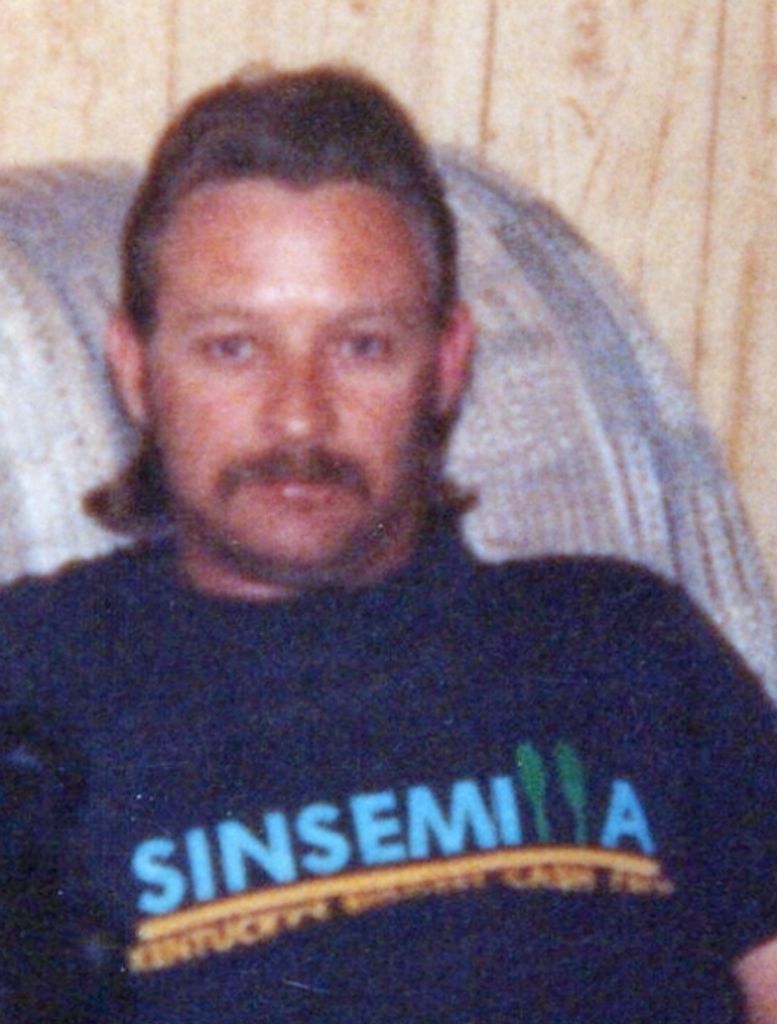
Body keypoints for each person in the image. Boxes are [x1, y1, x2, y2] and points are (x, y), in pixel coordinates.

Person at [0, 65, 775, 1023]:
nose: (298, 415)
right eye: (232, 347)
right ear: (135, 369)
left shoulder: (623, 639)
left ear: (446, 364)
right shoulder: (34, 677)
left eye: (361, 345)